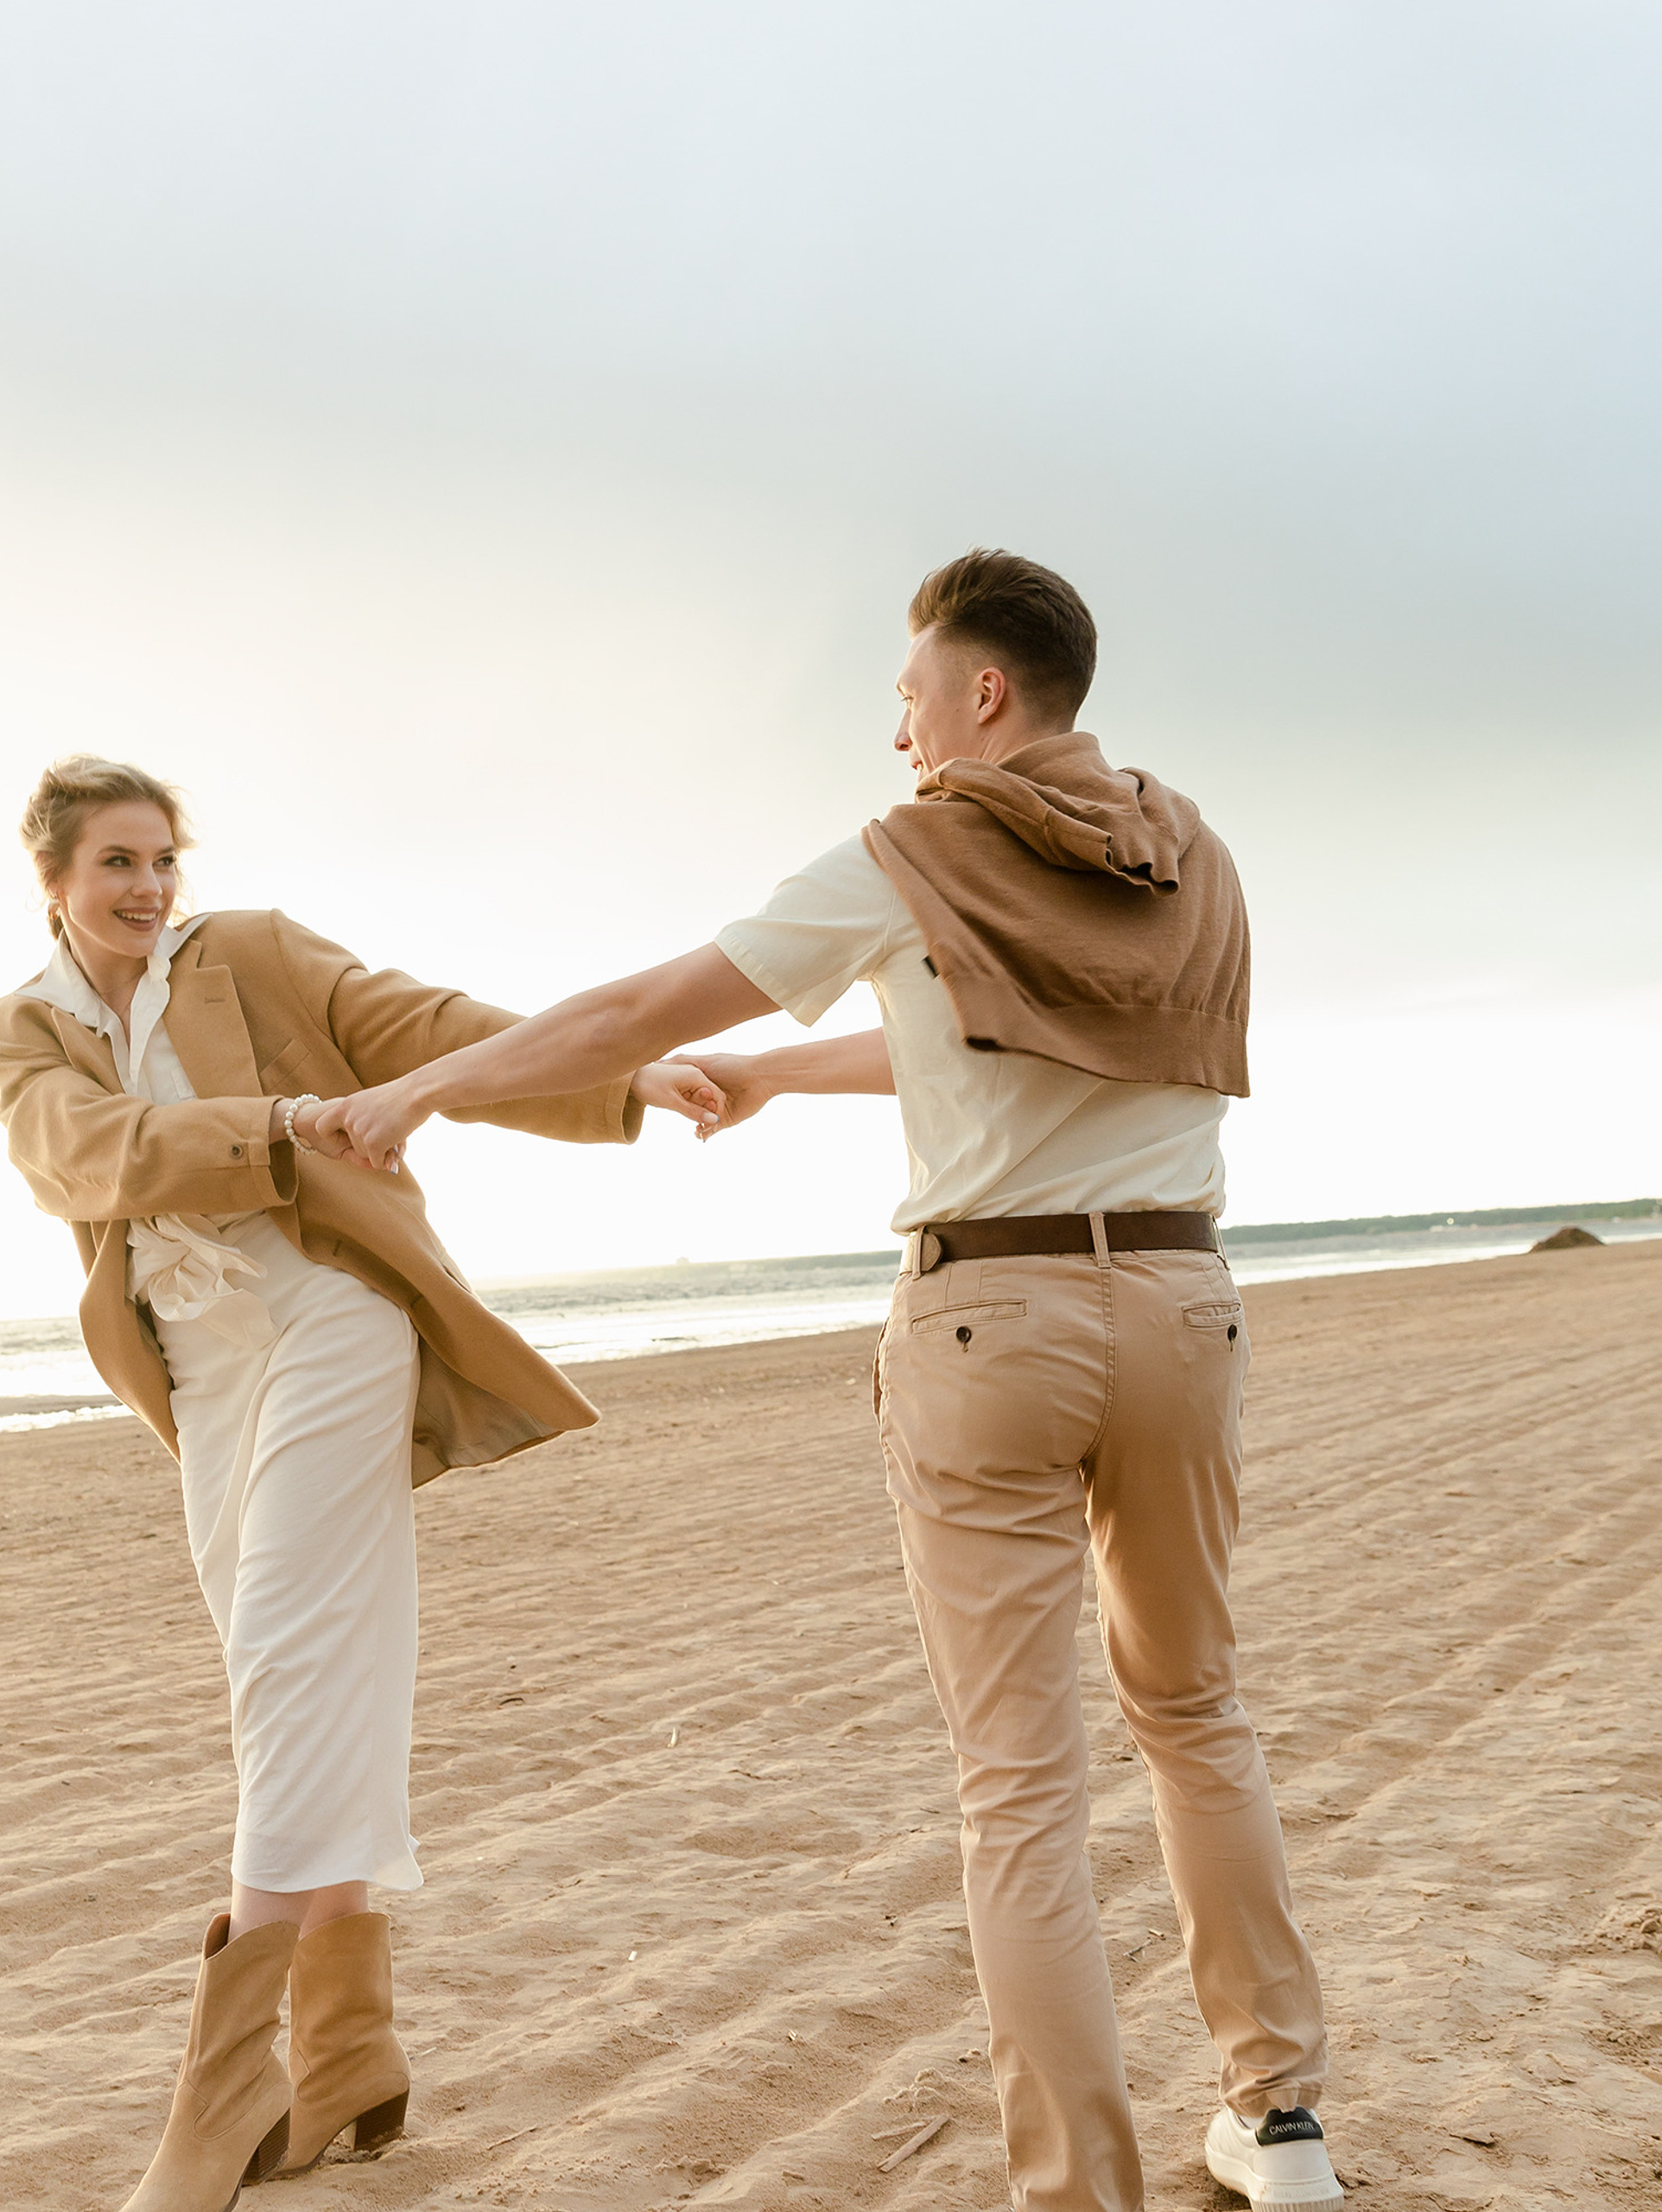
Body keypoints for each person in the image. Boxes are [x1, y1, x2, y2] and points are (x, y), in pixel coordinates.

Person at [317, 553, 1341, 2211]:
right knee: (1197, 1714)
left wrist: (423, 1089)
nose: (901, 732)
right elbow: (1009, 1036)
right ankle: (1284, 2124)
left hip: (993, 1323)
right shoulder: (1180, 846)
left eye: (908, 696)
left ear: (983, 695)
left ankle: (1082, 2189)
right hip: (1179, 1300)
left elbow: (641, 1005)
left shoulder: (925, 846)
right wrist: (788, 1071)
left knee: (1021, 1781)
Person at [0, 756, 720, 2212]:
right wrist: (283, 1125)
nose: (147, 888)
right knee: (295, 1663)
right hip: (201, 1366)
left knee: (300, 1649)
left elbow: (428, 1031)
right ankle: (352, 2047)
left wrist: (621, 1075)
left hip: (328, 1314)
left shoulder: (250, 953)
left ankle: (230, 2082)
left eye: (162, 859)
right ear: (53, 879)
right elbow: (85, 1161)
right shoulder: (19, 1035)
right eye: (115, 863)